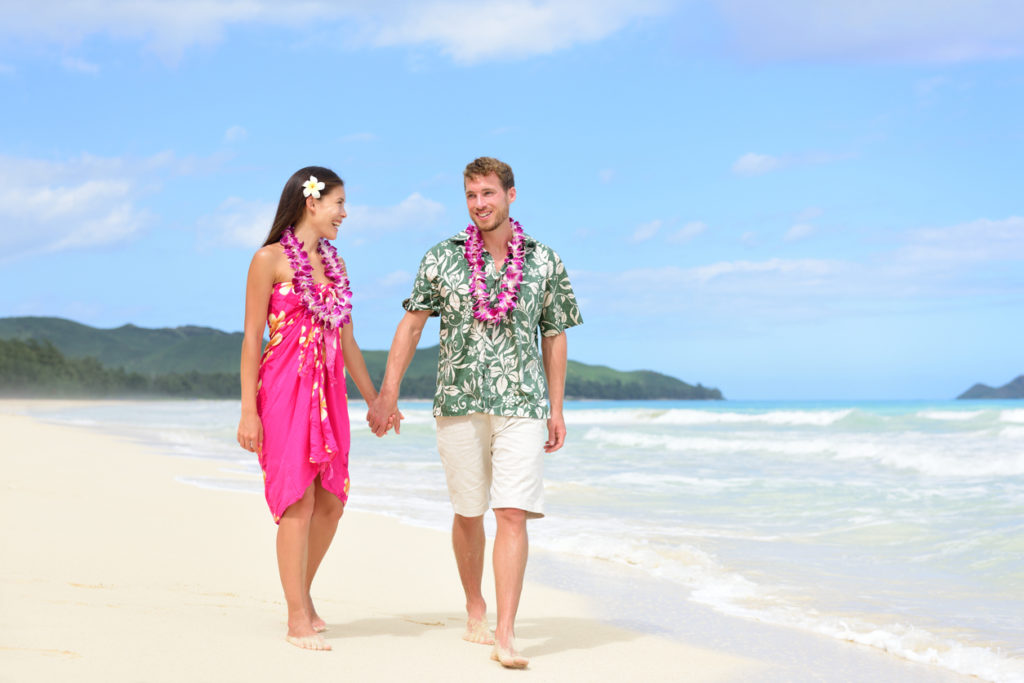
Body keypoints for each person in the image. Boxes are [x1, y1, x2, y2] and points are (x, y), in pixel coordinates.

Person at [367, 157, 582, 668]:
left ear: (511, 194)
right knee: (469, 511)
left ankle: (505, 633)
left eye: (488, 193)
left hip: (523, 402)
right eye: (471, 195)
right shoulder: (442, 258)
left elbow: (554, 334)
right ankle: (475, 605)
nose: (479, 203)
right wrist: (387, 393)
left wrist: (556, 408)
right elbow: (412, 325)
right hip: (459, 399)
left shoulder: (544, 260)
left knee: (511, 512)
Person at [237, 166, 397, 651]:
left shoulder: (338, 266)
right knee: (299, 500)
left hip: (328, 393)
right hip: (284, 388)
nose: (344, 214)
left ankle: (302, 594)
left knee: (332, 501)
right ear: (312, 201)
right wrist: (248, 411)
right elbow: (250, 341)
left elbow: (348, 341)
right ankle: (295, 617)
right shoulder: (268, 260)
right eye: (339, 203)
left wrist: (375, 400)